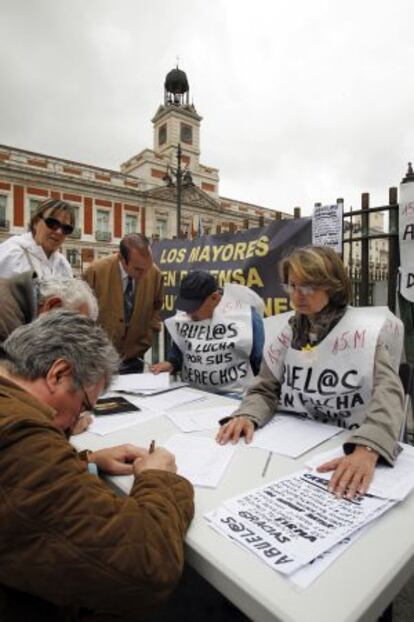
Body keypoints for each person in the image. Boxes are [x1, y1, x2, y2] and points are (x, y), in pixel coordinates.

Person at [0, 310, 194, 622]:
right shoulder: (20, 439)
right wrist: (159, 479)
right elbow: (147, 566)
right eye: (84, 406)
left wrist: (88, 460)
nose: (78, 421)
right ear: (58, 374)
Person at [217, 245, 405, 499]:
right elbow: (265, 386)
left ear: (333, 287)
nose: (297, 296)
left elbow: (389, 392)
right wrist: (248, 414)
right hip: (292, 446)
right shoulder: (289, 331)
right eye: (292, 286)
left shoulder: (361, 332)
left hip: (346, 443)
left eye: (308, 287)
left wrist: (369, 448)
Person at [151, 271, 265, 396]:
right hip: (191, 393)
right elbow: (182, 347)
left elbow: (258, 361)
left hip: (233, 395)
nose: (189, 313)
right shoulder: (186, 315)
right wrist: (172, 363)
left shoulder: (245, 317)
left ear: (214, 297)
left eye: (194, 307)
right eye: (186, 307)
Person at [83, 233, 163, 374]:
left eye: (148, 267)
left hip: (135, 356)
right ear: (121, 258)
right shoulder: (95, 271)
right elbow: (81, 313)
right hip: (99, 359)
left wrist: (147, 337)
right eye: (138, 269)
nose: (144, 274)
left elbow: (157, 307)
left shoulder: (155, 274)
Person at [0, 272, 98, 343]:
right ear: (52, 305)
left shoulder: (14, 300)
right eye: (71, 328)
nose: (68, 340)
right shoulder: (8, 330)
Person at [0, 198, 74, 279]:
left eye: (66, 228)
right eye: (52, 223)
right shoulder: (11, 254)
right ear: (36, 222)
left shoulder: (63, 264)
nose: (59, 232)